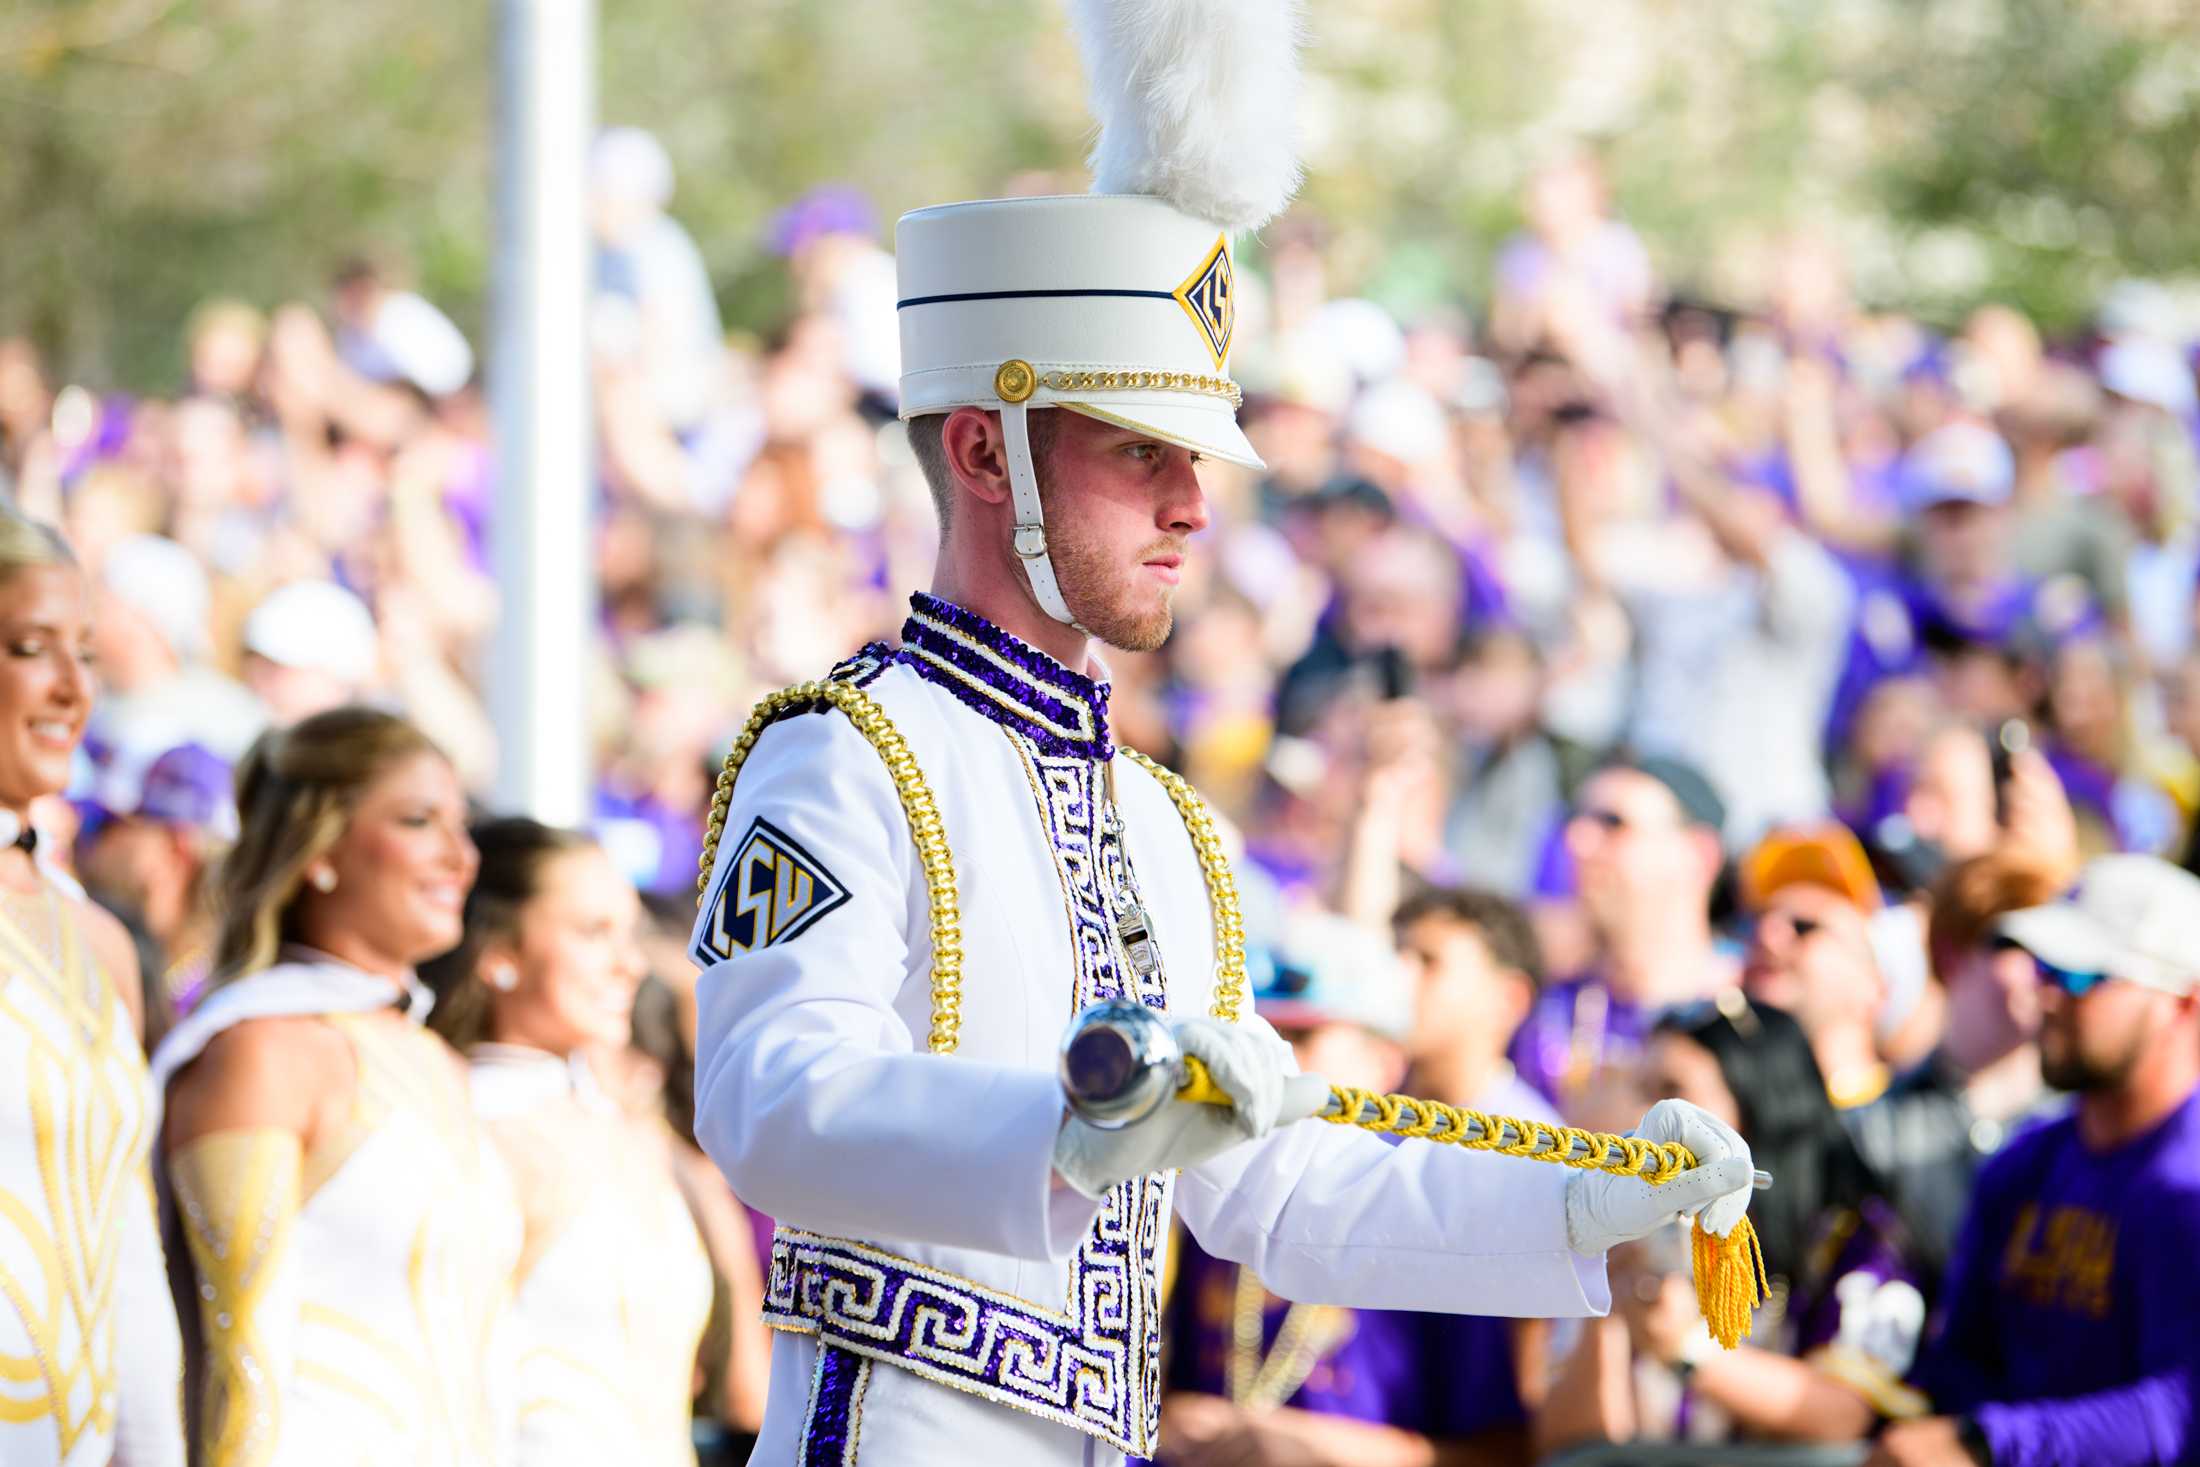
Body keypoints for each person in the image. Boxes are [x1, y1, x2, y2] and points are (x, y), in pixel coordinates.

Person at [686, 5, 1757, 1461]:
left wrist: (1578, 1202)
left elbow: (1282, 1190)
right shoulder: (845, 753)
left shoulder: (1170, 825)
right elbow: (771, 1097)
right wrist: (1077, 1127)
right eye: (1142, 452)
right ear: (984, 449)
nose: (1195, 503)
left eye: (1194, 458)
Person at [151, 706, 522, 1467]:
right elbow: (237, 1367)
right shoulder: (260, 1051)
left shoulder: (439, 1063)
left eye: (462, 823)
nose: (461, 856)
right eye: (419, 821)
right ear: (319, 850)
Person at [420, 816, 748, 1467]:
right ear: (499, 952)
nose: (629, 964)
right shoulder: (459, 1124)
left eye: (629, 933)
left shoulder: (627, 1133)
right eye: (593, 933)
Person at [1160, 910, 1538, 1467]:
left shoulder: (1436, 1212)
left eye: (1300, 1037)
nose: (1270, 1063)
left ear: (1383, 1062)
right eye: (1262, 1035)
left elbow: (1505, 1452)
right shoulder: (1212, 1186)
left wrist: (1310, 1449)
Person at [1874, 855, 2200, 1467]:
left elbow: (2183, 1414)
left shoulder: (2188, 1185)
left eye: (2082, 978)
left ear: (2183, 1004)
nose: (2045, 993)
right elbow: (1963, 1363)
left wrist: (1987, 1444)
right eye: (2046, 967)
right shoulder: (2023, 1164)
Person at [0, 512, 186, 1465]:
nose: (74, 690)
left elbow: (127, 1260)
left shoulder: (102, 940)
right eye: (29, 650)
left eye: (85, 653)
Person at [1613, 999, 1929, 1444]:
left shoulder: (1853, 1244)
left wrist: (1687, 1347)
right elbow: (1569, 1440)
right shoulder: (1651, 1229)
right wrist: (1602, 1302)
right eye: (1641, 1089)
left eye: (1671, 1090)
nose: (1641, 1120)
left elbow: (1843, 1413)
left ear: (1760, 1104)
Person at [1512, 755, 1736, 1106]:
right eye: (1576, 820)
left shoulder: (1744, 1007)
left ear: (1699, 854)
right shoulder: (1539, 999)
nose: (1577, 842)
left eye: (1613, 823)